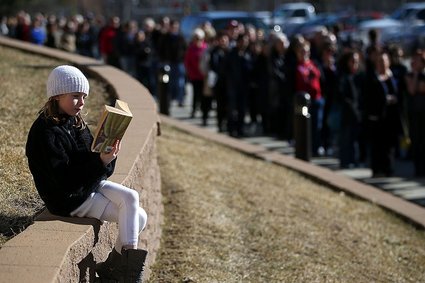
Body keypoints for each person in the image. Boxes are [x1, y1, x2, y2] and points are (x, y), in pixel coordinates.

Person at [25, 65, 148, 282]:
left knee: (138, 209)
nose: (81, 103)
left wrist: (107, 158)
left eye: (83, 96)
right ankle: (126, 276)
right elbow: (65, 180)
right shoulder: (45, 132)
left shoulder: (75, 121)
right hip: (68, 199)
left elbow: (97, 167)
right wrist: (99, 163)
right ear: (56, 95)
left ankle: (114, 269)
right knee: (134, 215)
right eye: (75, 96)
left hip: (87, 185)